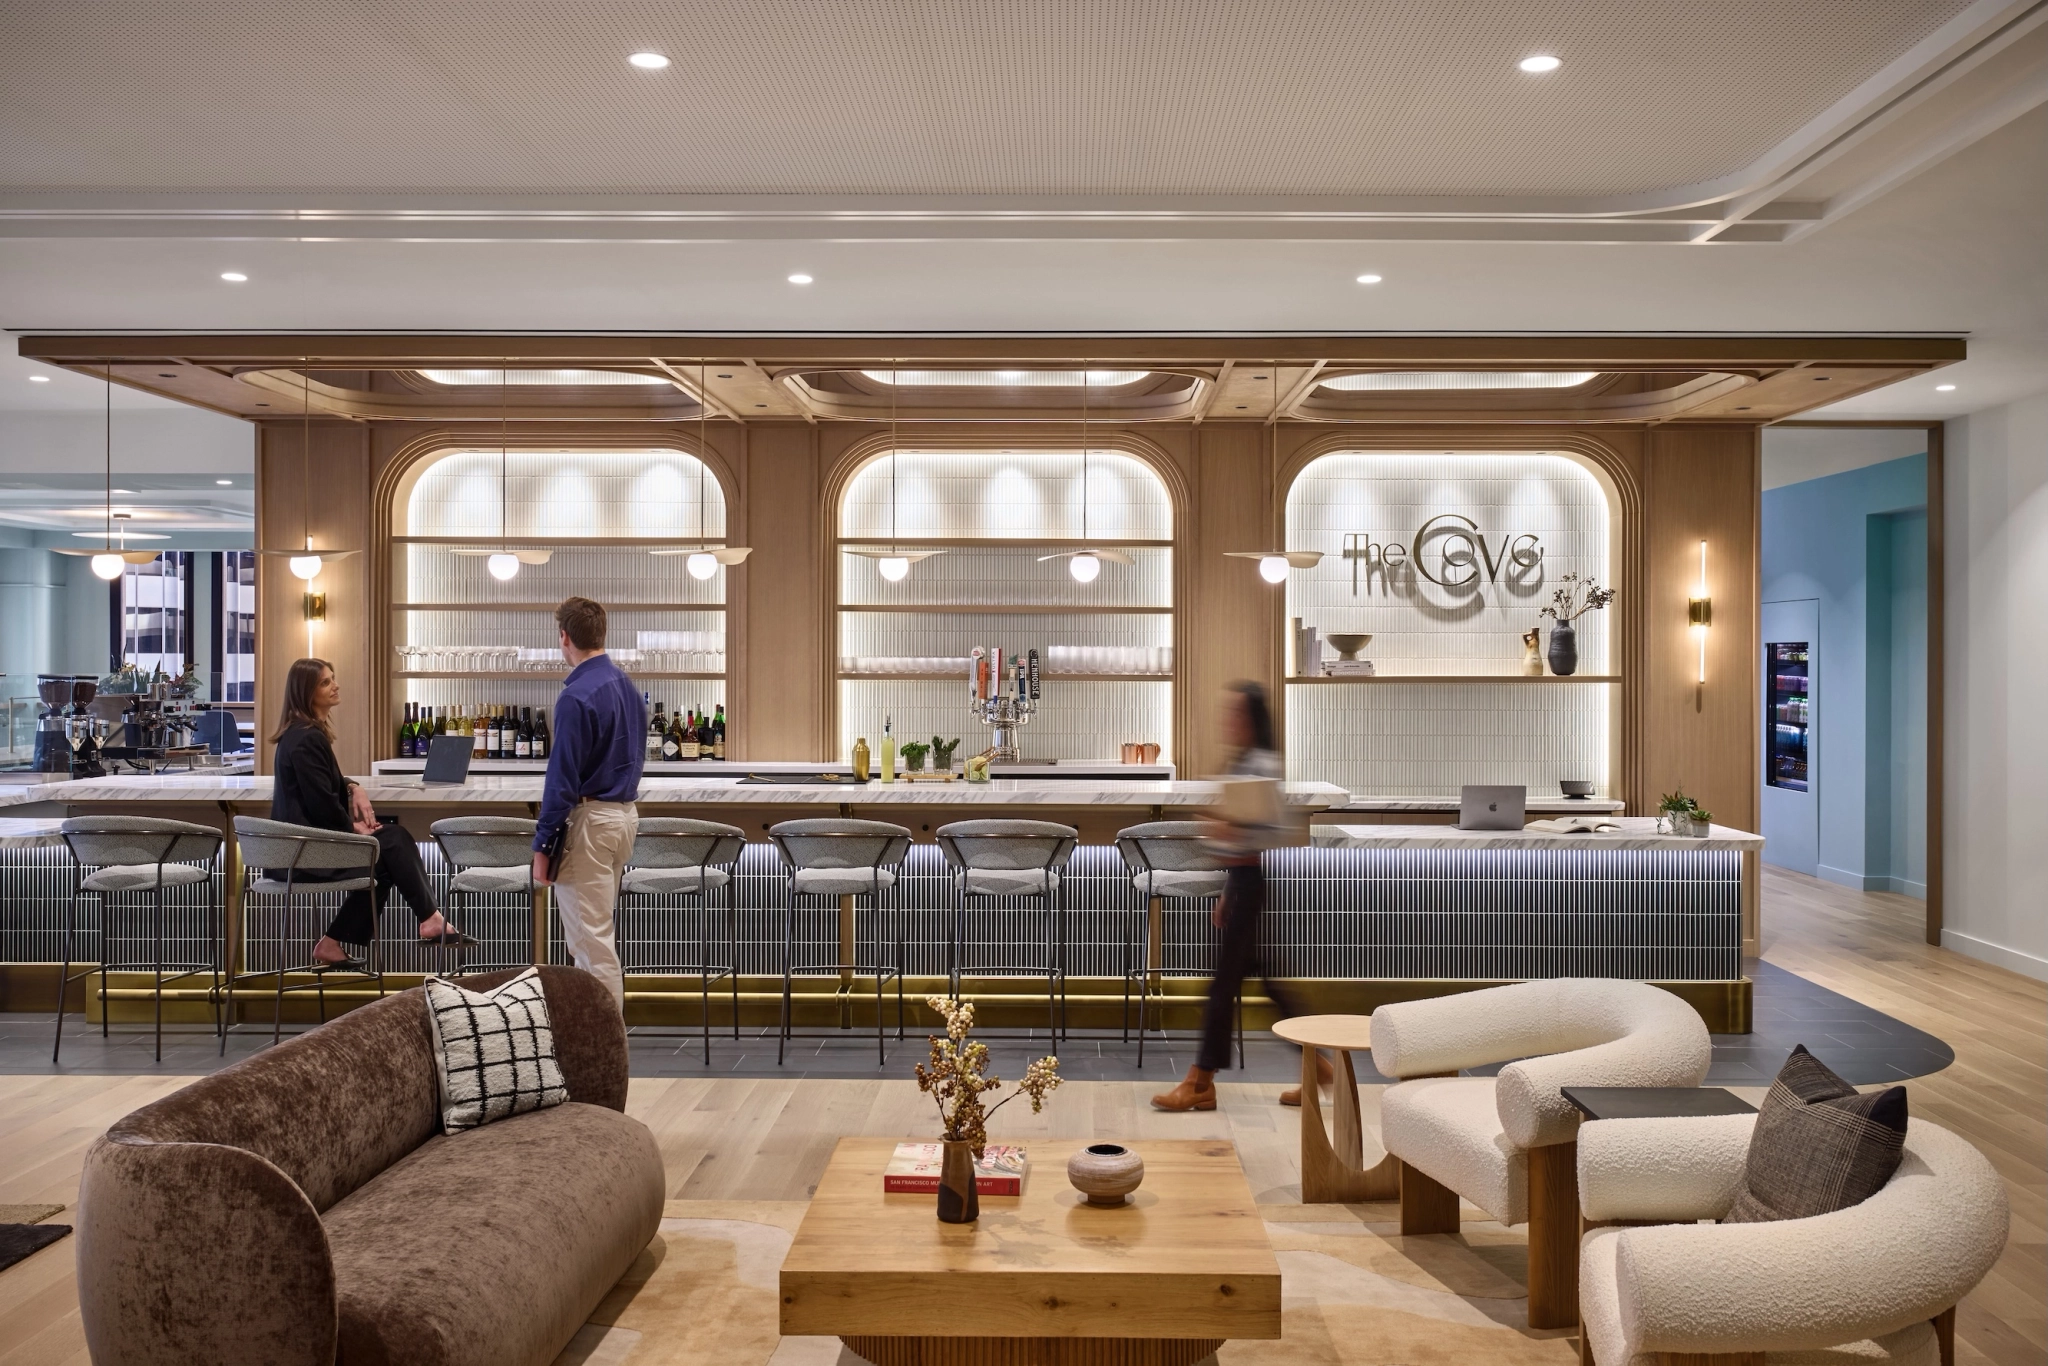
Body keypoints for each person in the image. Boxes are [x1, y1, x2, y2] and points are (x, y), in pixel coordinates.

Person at [1150, 681, 1313, 1112]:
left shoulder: (1260, 763)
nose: (1229, 721)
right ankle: (1322, 1069)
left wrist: (1228, 831)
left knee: (1222, 988)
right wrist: (1227, 886)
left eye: (1237, 714)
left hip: (1249, 883)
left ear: (1252, 720)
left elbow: (1273, 830)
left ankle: (1200, 1081)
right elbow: (1245, 835)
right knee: (1265, 982)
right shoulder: (1245, 761)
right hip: (1242, 884)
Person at [269, 657, 472, 968]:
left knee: (388, 856)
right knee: (393, 840)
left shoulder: (302, 734)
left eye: (332, 678)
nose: (335, 685)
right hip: (305, 855)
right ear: (306, 692)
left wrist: (353, 787)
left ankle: (333, 943)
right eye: (325, 682)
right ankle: (430, 918)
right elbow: (320, 804)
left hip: (300, 849)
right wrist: (354, 830)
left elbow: (324, 785)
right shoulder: (306, 738)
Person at [532, 597, 645, 1011]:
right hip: (622, 818)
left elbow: (561, 780)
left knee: (590, 944)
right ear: (602, 633)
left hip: (589, 823)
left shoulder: (576, 696)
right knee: (596, 935)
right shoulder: (627, 687)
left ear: (564, 637)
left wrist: (543, 845)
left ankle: (606, 1053)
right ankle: (600, 1047)